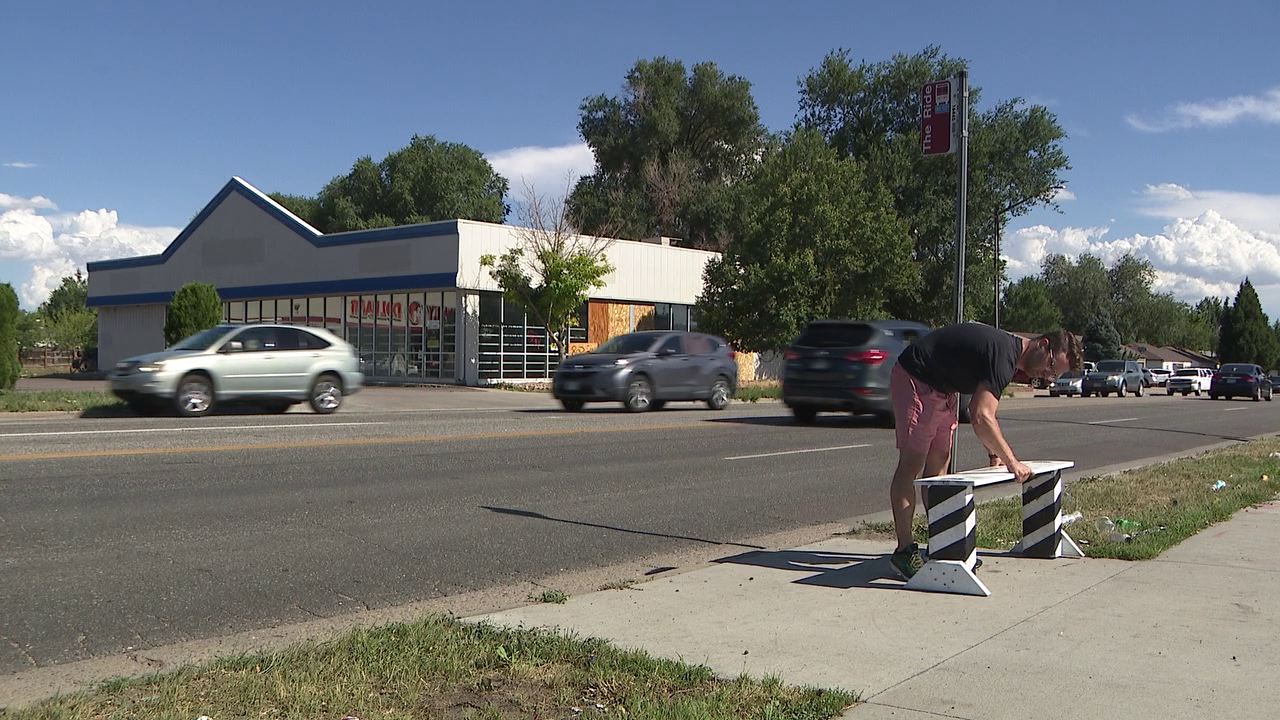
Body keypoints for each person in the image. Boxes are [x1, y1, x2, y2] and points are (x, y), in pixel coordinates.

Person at [886, 323, 1083, 579]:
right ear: (1043, 344)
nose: (1047, 375)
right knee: (911, 465)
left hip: (944, 390)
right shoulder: (1004, 356)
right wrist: (1012, 462)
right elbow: (981, 415)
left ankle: (943, 546)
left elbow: (983, 411)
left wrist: (994, 454)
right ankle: (903, 551)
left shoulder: (1009, 359)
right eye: (1052, 367)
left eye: (1054, 375)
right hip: (916, 378)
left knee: (939, 470)